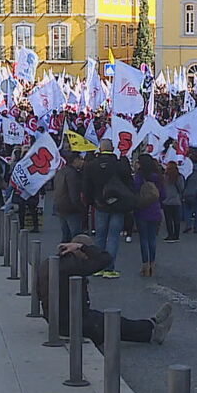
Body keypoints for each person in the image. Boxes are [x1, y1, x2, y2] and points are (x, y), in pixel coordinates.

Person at [38, 235, 174, 345]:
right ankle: (153, 332)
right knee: (113, 324)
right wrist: (82, 247)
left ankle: (152, 323)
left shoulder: (51, 262)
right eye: (86, 253)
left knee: (110, 320)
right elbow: (105, 259)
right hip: (70, 323)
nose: (88, 257)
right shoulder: (75, 265)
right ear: (78, 251)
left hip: (61, 317)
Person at [82, 139, 133, 279]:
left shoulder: (91, 165)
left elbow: (86, 188)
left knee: (100, 236)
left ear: (100, 148)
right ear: (113, 148)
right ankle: (109, 268)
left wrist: (92, 202)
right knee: (113, 237)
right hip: (118, 204)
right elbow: (129, 183)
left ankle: (98, 267)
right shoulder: (119, 164)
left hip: (100, 204)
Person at [133, 154, 164, 276]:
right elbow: (163, 194)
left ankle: (145, 265)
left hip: (142, 210)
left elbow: (135, 191)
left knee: (143, 239)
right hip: (155, 209)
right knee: (152, 239)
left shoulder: (139, 177)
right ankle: (152, 264)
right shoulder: (158, 177)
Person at [53, 152, 86, 243]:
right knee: (75, 236)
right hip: (71, 208)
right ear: (75, 160)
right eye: (81, 159)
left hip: (60, 206)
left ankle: (62, 254)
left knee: (65, 235)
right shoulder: (73, 174)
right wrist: (81, 208)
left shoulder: (60, 172)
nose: (82, 162)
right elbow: (74, 194)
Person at [182, 153, 197, 234]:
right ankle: (196, 227)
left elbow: (184, 181)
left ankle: (188, 225)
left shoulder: (188, 170)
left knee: (187, 209)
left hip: (188, 192)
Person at [162, 161, 184, 242]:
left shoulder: (164, 177)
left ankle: (170, 235)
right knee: (176, 219)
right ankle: (176, 235)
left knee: (168, 219)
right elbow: (181, 188)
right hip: (176, 200)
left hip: (166, 200)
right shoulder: (179, 177)